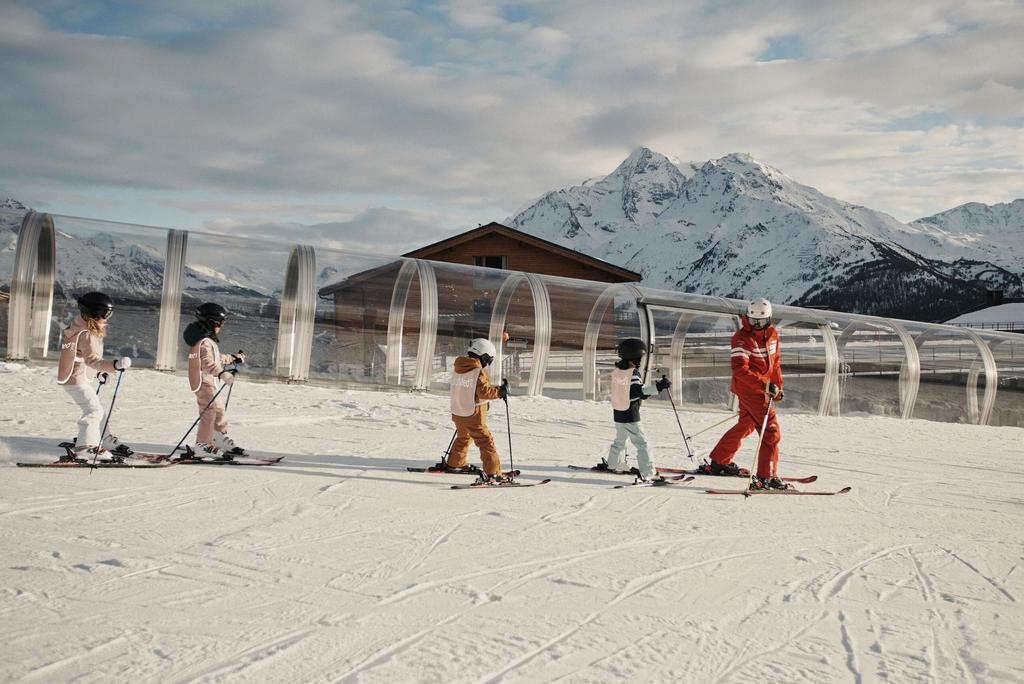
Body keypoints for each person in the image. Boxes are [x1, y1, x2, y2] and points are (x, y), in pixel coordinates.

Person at [703, 297, 787, 490]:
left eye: (762, 322)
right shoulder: (742, 338)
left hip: (762, 389)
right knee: (771, 432)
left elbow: (775, 364)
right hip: (751, 390)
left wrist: (777, 386)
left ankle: (720, 460)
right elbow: (740, 370)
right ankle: (766, 477)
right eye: (753, 321)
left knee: (747, 424)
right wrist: (765, 385)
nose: (757, 326)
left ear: (769, 319)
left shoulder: (773, 335)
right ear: (747, 318)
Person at [56, 292, 132, 460]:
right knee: (93, 410)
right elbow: (92, 360)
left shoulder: (77, 328)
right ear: (94, 313)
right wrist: (114, 365)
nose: (107, 318)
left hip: (74, 376)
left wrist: (100, 371)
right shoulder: (87, 333)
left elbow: (82, 357)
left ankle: (104, 439)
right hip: (76, 379)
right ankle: (86, 447)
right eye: (105, 314)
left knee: (98, 410)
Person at [183, 302, 246, 458]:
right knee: (209, 413)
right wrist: (222, 374)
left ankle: (218, 437)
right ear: (211, 322)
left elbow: (215, 359)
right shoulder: (203, 343)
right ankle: (202, 445)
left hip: (209, 382)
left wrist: (232, 358)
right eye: (220, 323)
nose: (221, 326)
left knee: (218, 410)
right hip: (204, 383)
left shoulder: (205, 341)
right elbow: (208, 363)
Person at [443, 338, 510, 484]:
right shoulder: (477, 371)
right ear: (484, 355)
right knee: (485, 441)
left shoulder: (459, 368)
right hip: (473, 413)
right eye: (489, 360)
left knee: (464, 437)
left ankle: (456, 463)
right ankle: (493, 473)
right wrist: (500, 392)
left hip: (458, 411)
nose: (488, 363)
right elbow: (483, 392)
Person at [604, 338, 671, 482]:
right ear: (633, 356)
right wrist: (659, 387)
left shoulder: (617, 371)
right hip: (630, 414)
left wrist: (650, 390)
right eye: (640, 356)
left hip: (618, 411)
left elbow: (631, 392)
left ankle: (614, 464)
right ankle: (649, 473)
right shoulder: (632, 373)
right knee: (642, 443)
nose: (641, 360)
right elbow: (638, 392)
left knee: (620, 441)